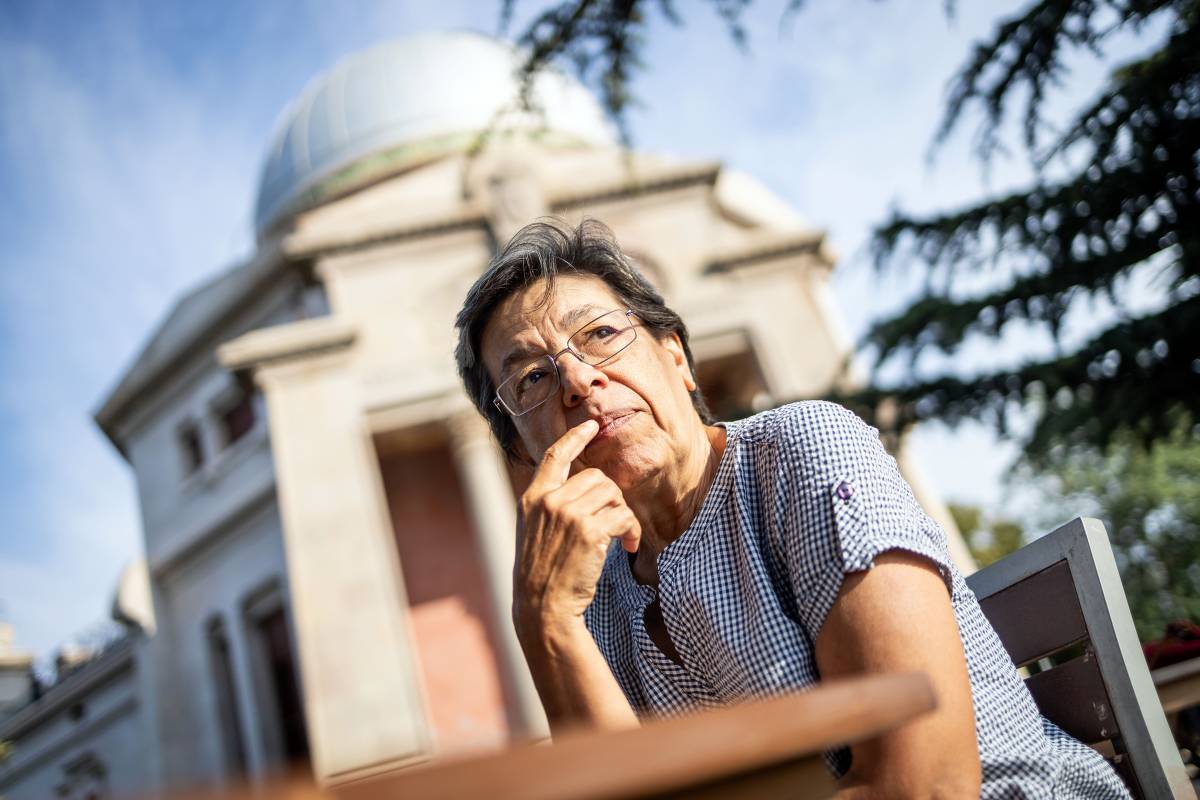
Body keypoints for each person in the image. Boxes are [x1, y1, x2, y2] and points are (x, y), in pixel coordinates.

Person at [454, 217, 1130, 798]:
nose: (578, 379)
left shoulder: (801, 451)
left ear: (676, 357)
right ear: (520, 449)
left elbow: (924, 784)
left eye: (600, 334)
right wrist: (543, 618)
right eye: (532, 377)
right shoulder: (585, 594)